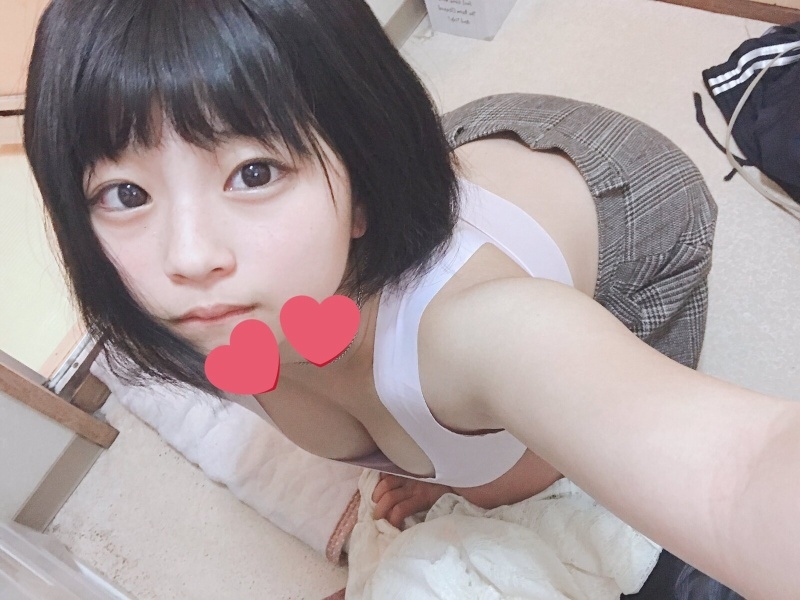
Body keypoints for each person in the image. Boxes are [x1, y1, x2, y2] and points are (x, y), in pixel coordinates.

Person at [22, 0, 797, 598]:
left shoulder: (479, 333)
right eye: (126, 193)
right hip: (475, 142)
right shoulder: (193, 310)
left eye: (253, 173)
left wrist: (452, 475)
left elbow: (738, 474)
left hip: (633, 205)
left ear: (363, 189)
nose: (187, 257)